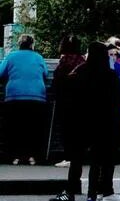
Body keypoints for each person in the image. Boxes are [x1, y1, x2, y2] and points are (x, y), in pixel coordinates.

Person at [71, 42, 120, 201]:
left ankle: (70, 190)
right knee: (97, 159)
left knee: (77, 157)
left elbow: (73, 98)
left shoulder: (80, 71)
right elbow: (117, 100)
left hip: (82, 121)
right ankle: (92, 194)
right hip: (104, 122)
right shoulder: (110, 75)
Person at [0, 34, 48, 166]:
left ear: (19, 44)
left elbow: (1, 73)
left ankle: (15, 156)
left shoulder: (11, 56)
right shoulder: (38, 57)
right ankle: (33, 156)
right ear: (32, 45)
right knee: (34, 128)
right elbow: (45, 74)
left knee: (14, 127)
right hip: (37, 97)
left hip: (14, 96)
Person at [52, 35, 85, 170]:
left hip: (65, 100)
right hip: (81, 101)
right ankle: (78, 156)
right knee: (77, 130)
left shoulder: (64, 61)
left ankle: (68, 157)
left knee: (66, 130)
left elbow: (57, 80)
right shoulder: (82, 61)